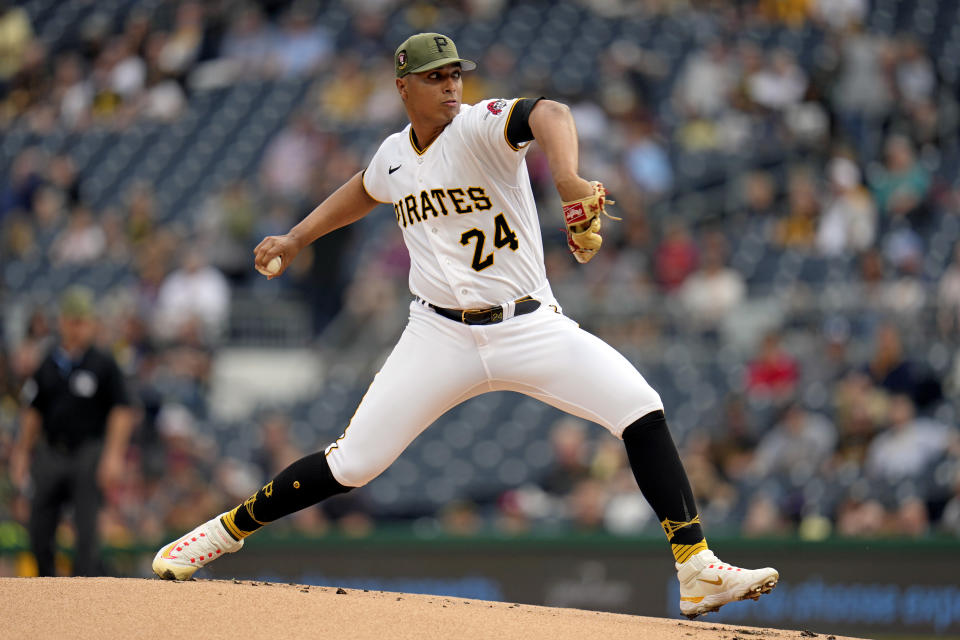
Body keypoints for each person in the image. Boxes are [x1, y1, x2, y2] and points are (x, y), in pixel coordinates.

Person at [151, 33, 778, 618]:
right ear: (404, 88)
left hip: (528, 325)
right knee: (354, 464)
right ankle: (223, 532)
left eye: (455, 75)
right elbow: (366, 189)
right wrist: (295, 235)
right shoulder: (395, 155)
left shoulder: (480, 125)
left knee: (641, 407)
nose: (451, 86)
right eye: (435, 78)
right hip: (438, 335)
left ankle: (695, 568)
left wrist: (565, 178)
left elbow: (551, 113)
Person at [10, 286, 135, 575]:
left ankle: (85, 594)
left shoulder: (102, 363)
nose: (75, 328)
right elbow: (33, 411)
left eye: (81, 321)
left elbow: (122, 410)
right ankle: (46, 585)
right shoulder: (49, 363)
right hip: (51, 451)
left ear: (91, 324)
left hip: (87, 452)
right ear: (62, 322)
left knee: (86, 530)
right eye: (70, 320)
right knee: (39, 526)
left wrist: (113, 456)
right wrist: (21, 453)